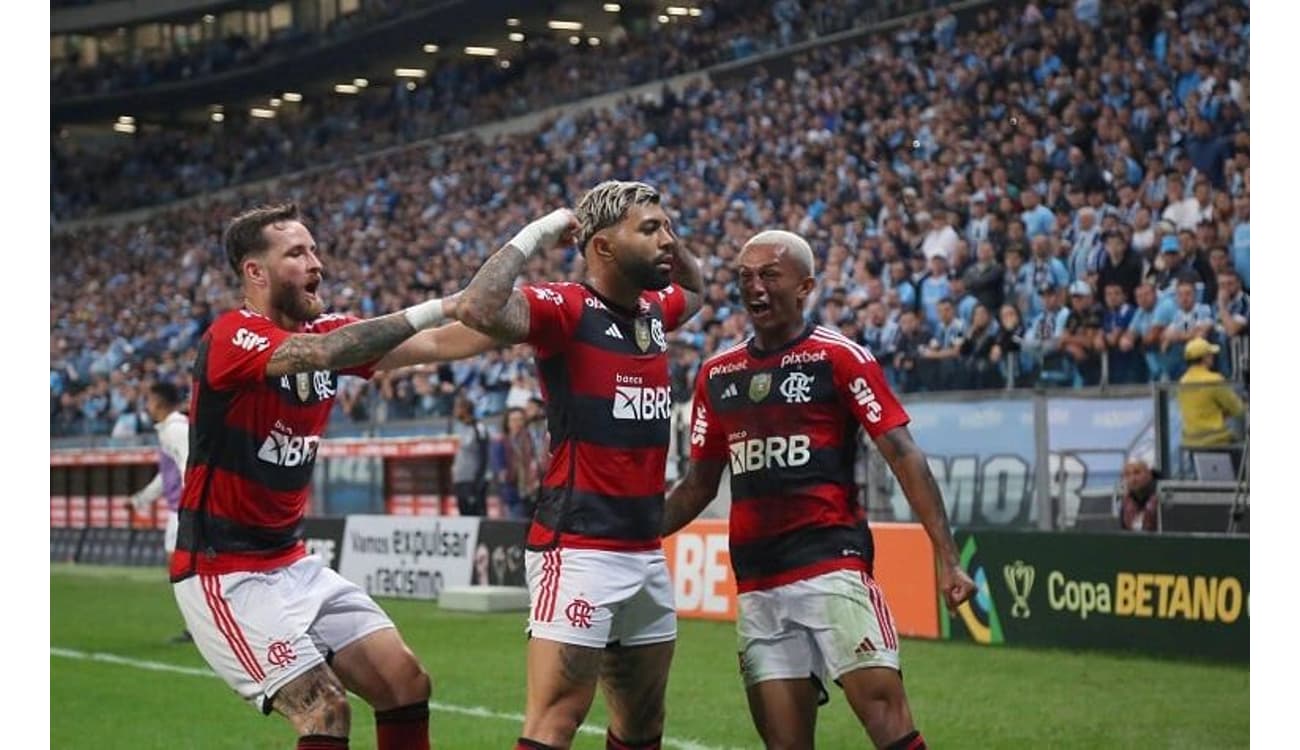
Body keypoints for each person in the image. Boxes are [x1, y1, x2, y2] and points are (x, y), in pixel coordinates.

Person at [171, 203, 500, 750]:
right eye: (297, 254)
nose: (316, 263)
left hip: (292, 563)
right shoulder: (232, 337)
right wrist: (442, 304)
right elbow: (322, 352)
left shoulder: (330, 330)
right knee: (325, 709)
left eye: (315, 250)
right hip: (224, 573)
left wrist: (535, 322)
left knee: (404, 682)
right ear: (255, 272)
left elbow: (445, 343)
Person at [663, 229, 975, 750]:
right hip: (758, 581)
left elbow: (903, 454)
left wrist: (947, 556)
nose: (754, 288)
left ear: (805, 286)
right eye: (744, 277)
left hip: (832, 565)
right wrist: (630, 532)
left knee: (886, 717)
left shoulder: (840, 357)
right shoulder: (718, 373)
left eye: (769, 276)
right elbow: (698, 484)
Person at [455, 180, 704, 750]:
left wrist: (669, 238)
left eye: (667, 227)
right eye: (650, 229)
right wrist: (539, 231)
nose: (667, 239)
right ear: (602, 247)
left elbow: (697, 289)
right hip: (578, 549)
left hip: (644, 551)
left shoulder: (653, 311)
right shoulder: (566, 308)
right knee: (556, 721)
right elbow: (477, 307)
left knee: (644, 724)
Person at [127, 381, 193, 643]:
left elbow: (191, 466)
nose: (147, 406)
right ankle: (195, 625)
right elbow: (165, 477)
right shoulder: (169, 430)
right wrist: (140, 500)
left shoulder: (176, 429)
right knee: (179, 571)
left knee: (184, 571)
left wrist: (193, 507)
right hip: (178, 510)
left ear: (158, 402)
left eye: (149, 400)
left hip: (184, 510)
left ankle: (201, 626)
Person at [1177, 337, 1246, 450]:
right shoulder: (1214, 379)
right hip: (1216, 441)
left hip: (1190, 442)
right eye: (1210, 354)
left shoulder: (1182, 382)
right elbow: (1238, 409)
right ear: (1205, 357)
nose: (1213, 357)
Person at [451, 395, 490, 516]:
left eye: (457, 408)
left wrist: (478, 480)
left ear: (465, 409)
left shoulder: (479, 427)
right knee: (464, 514)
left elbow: (484, 454)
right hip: (460, 479)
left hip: (473, 480)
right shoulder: (459, 428)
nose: (454, 411)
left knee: (476, 513)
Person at [1119, 460, 1160, 532]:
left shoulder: (1164, 496)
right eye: (1127, 474)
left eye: (1137, 472)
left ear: (1149, 474)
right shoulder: (1125, 501)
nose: (1132, 479)